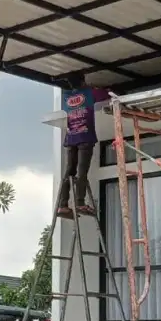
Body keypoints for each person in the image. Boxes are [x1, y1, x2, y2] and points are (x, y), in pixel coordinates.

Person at [57, 74, 109, 218]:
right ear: (83, 81)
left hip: (71, 137)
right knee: (82, 171)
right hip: (85, 136)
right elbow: (106, 94)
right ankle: (80, 203)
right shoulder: (89, 93)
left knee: (69, 171)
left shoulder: (66, 97)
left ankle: (63, 205)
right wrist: (93, 87)